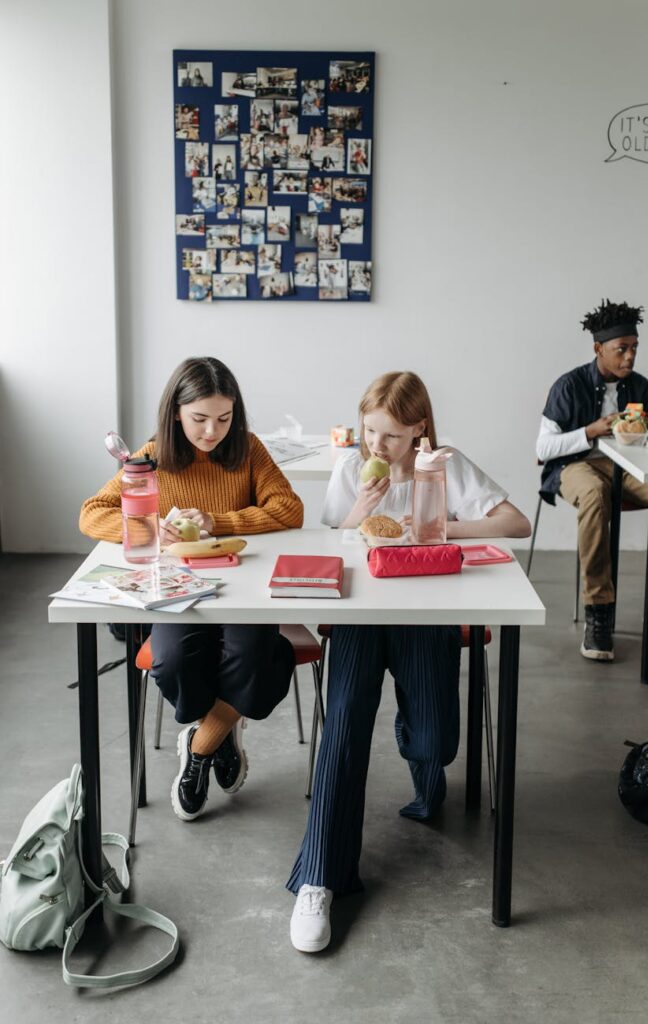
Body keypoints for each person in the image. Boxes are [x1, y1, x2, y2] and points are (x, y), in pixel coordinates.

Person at [286, 371, 530, 953]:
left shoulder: (443, 466)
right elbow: (329, 546)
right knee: (342, 729)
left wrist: (443, 525)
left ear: (419, 429)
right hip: (361, 616)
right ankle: (318, 878)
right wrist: (358, 515)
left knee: (435, 744)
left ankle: (421, 758)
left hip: (426, 612)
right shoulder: (352, 469)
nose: (377, 446)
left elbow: (515, 523)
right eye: (371, 431)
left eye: (391, 436)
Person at [80, 357, 304, 821]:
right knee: (174, 661)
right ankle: (221, 732)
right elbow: (91, 514)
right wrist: (148, 528)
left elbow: (289, 509)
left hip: (243, 590)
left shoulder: (247, 450)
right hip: (179, 592)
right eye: (199, 419)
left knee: (256, 658)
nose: (211, 432)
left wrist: (217, 522)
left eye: (224, 418)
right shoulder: (150, 456)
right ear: (176, 413)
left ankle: (201, 747)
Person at [536, 298, 648, 661]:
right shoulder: (569, 385)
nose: (630, 358)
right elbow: (543, 448)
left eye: (634, 348)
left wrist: (646, 432)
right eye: (621, 349)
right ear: (598, 349)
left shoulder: (639, 385)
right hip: (576, 466)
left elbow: (642, 441)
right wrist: (590, 431)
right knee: (594, 495)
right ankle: (599, 610)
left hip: (628, 467)